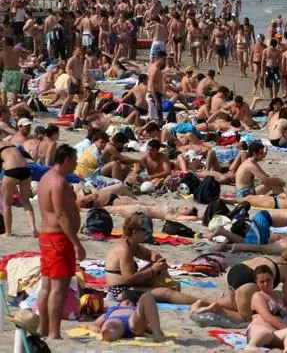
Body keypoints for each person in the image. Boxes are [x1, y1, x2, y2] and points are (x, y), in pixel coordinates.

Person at [37, 145, 85, 339]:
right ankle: (54, 333)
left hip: (47, 238)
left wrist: (72, 199)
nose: (75, 164)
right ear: (66, 160)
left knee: (47, 286)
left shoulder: (45, 178)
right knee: (59, 288)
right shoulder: (58, 182)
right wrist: (76, 243)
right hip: (58, 239)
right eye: (74, 161)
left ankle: (44, 328)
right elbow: (61, 215)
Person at [245, 265, 287, 352]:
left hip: (275, 332)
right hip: (258, 330)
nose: (266, 284)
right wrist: (285, 328)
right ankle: (251, 346)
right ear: (257, 282)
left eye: (268, 280)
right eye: (261, 282)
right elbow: (268, 318)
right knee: (266, 332)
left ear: (273, 278)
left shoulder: (279, 294)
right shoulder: (258, 296)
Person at [90, 293, 166, 342]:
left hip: (133, 321)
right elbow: (96, 323)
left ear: (134, 305)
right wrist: (96, 327)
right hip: (116, 321)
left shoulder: (135, 309)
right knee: (111, 326)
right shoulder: (112, 309)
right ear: (119, 304)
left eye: (130, 303)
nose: (127, 303)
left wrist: (154, 329)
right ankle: (109, 333)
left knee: (147, 296)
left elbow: (147, 324)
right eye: (124, 302)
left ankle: (157, 335)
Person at [0, 140, 37, 237]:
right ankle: (34, 229)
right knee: (26, 201)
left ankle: (8, 232)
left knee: (6, 203)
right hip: (26, 170)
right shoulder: (9, 143)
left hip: (12, 171)